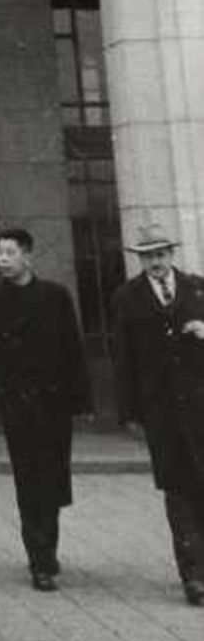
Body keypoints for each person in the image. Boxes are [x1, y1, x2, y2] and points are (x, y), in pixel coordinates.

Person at [0, 226, 92, 591]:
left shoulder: (55, 297)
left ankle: (47, 547)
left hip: (53, 401)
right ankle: (40, 559)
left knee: (53, 476)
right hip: (16, 402)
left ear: (28, 255)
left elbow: (73, 349)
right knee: (28, 478)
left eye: (10, 253)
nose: (3, 260)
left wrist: (81, 401)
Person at [111, 221, 204, 606]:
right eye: (147, 256)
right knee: (177, 488)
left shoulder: (198, 289)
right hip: (161, 410)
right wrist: (130, 410)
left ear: (172, 254)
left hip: (201, 406)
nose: (155, 262)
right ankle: (193, 575)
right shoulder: (127, 297)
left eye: (160, 254)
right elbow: (123, 357)